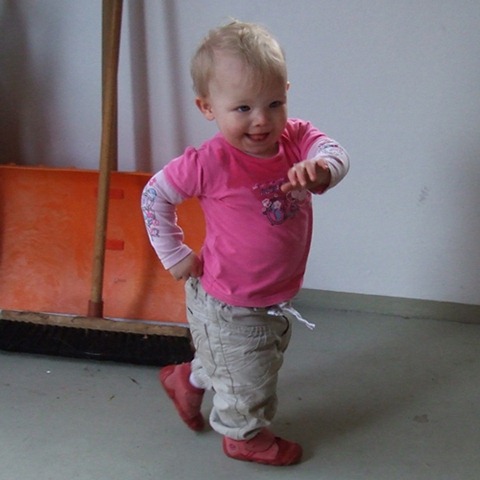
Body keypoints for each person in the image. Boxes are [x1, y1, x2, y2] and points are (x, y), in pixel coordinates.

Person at [141, 19, 349, 466]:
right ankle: (244, 436)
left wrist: (322, 170)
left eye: (274, 103)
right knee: (249, 378)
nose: (261, 119)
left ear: (286, 93)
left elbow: (334, 151)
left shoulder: (295, 138)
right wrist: (174, 252)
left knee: (234, 361)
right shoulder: (209, 162)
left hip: (269, 294)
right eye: (242, 108)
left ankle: (187, 380)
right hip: (229, 300)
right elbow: (154, 196)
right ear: (207, 107)